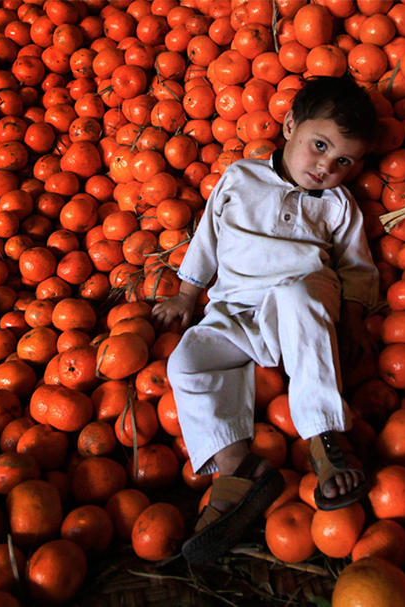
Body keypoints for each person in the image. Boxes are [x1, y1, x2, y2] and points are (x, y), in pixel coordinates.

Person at [152, 74, 379, 568]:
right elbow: (208, 237)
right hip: (234, 310)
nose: (326, 166)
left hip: (298, 308)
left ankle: (323, 439)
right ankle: (239, 465)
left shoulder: (341, 207)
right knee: (187, 360)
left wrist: (357, 320)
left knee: (301, 295)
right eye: (319, 146)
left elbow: (357, 268)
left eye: (343, 160)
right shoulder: (239, 177)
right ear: (290, 125)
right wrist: (188, 293)